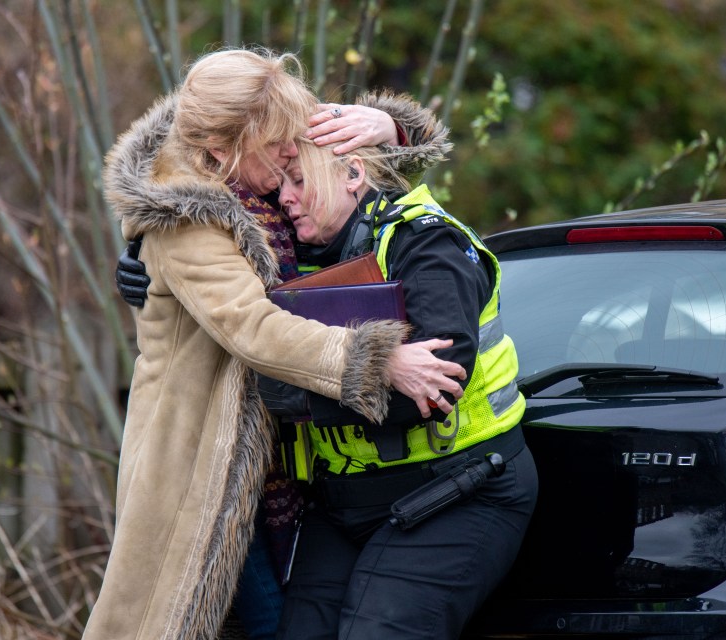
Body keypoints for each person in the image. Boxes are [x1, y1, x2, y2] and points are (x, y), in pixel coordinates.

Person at [83, 48, 465, 640]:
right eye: (280, 143)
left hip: (290, 461)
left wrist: (393, 127)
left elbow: (353, 174)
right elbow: (254, 328)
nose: (294, 151)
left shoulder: (259, 168)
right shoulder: (188, 217)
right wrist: (372, 358)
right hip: (210, 460)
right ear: (221, 149)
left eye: (295, 137)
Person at [260, 139, 540, 639]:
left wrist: (294, 388)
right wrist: (146, 264)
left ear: (353, 174)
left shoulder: (425, 242)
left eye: (299, 180)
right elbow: (206, 252)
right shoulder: (290, 251)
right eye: (280, 184)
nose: (285, 198)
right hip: (343, 501)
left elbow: (433, 387)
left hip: (461, 490)